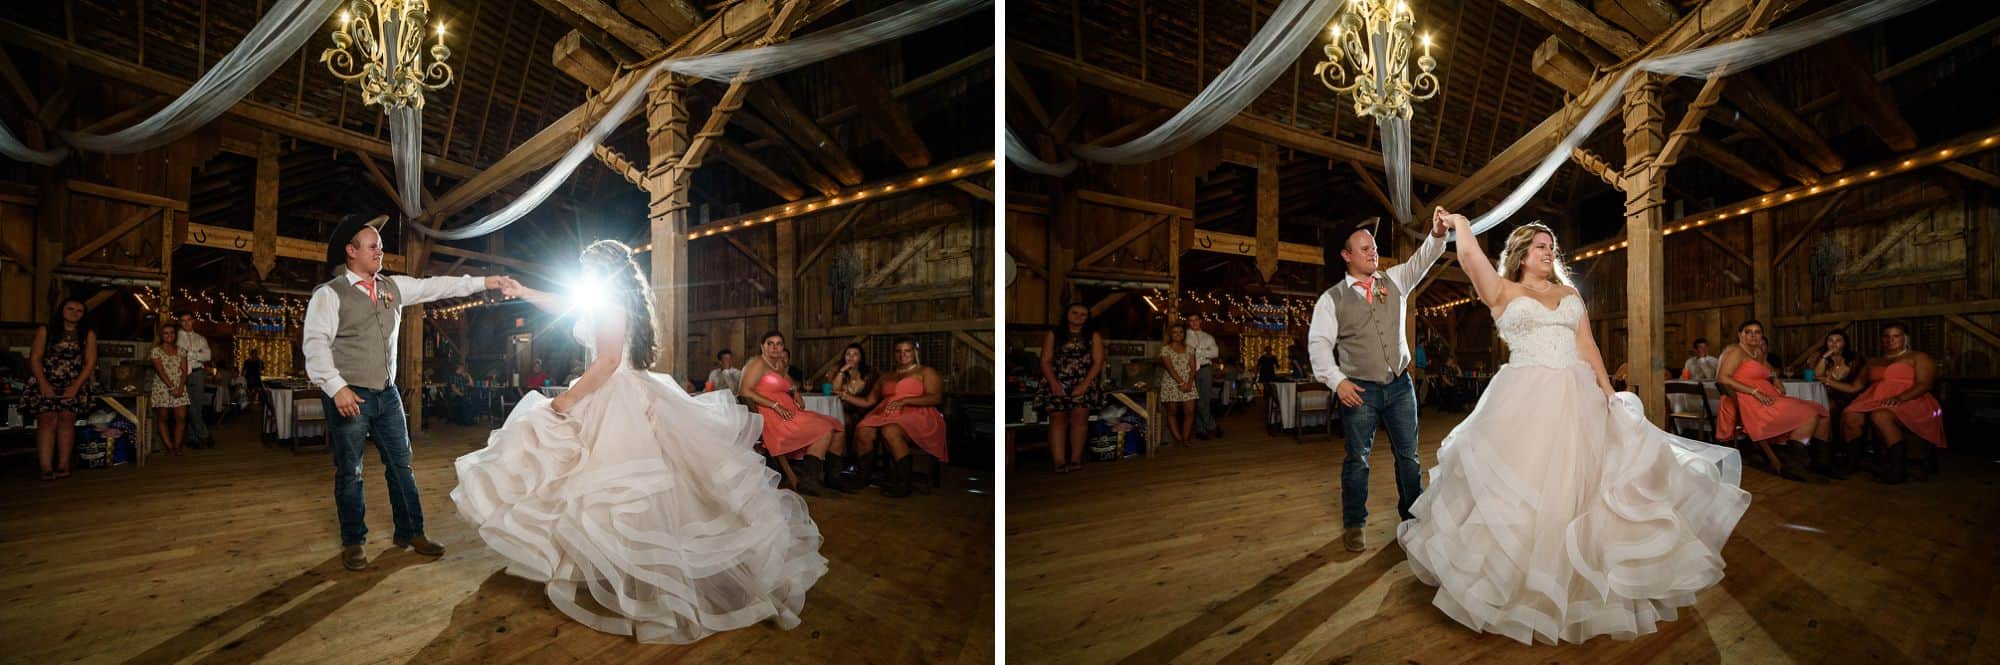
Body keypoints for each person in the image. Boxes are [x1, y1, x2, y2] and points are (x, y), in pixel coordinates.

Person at [1396, 211, 1749, 645]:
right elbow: (1470, 260)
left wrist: (1608, 391)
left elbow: (1587, 345)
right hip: (1524, 400)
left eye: (1551, 247)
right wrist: (1461, 223)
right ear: (1522, 255)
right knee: (1525, 484)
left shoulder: (1569, 294)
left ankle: (1585, 574)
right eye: (1540, 247)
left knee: (1586, 484)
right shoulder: (1503, 291)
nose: (1549, 252)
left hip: (1578, 396)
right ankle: (1517, 579)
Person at [452, 240, 825, 644]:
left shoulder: (612, 305)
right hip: (619, 391)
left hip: (615, 395)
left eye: (588, 269)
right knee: (600, 483)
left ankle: (643, 571)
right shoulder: (607, 300)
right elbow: (566, 304)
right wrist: (524, 291)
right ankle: (598, 561)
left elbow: (609, 361)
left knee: (620, 484)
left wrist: (568, 399)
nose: (584, 276)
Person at [302, 213, 510, 571]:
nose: (379, 252)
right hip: (349, 396)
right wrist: (336, 388)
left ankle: (411, 532)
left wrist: (484, 281)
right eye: (372, 246)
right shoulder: (329, 294)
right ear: (351, 251)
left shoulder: (393, 288)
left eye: (381, 246)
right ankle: (354, 541)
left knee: (402, 466)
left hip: (387, 395)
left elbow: (437, 287)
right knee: (350, 471)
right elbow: (315, 345)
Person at [1307, 214, 1448, 553]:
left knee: (1409, 458)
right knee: (1357, 459)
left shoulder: (1395, 279)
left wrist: (1436, 234)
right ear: (1346, 255)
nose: (1373, 252)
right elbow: (1318, 345)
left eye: (1374, 246)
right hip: (1360, 391)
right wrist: (1338, 382)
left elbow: (1423, 259)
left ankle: (1412, 520)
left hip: (1400, 386)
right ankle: (1354, 523)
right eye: (1365, 248)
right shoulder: (1331, 299)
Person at [1718, 320, 1835, 481]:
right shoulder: (1736, 352)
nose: (1753, 335)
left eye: (1757, 332)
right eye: (1748, 332)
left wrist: (1775, 379)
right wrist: (1754, 392)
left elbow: (1768, 370)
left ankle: (1820, 463)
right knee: (1809, 413)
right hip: (1752, 400)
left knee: (1820, 410)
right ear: (1740, 335)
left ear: (1762, 335)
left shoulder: (1757, 352)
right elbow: (1722, 378)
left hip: (1769, 395)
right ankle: (1794, 464)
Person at [1829, 322, 1945, 483]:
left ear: (1905, 338)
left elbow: (1925, 384)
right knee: (1850, 415)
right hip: (1874, 399)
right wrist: (1827, 381)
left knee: (1881, 415)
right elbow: (1855, 387)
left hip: (1910, 399)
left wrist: (1900, 398)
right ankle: (1852, 463)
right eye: (1886, 336)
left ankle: (1897, 469)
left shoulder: (1918, 357)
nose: (1891, 340)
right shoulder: (1874, 361)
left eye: (1896, 336)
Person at [740, 331, 843, 496]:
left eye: (779, 344)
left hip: (790, 411)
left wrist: (795, 393)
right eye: (770, 343)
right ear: (762, 346)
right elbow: (744, 391)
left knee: (837, 425)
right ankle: (810, 480)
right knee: (824, 428)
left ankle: (833, 478)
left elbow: (787, 382)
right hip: (773, 415)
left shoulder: (779, 363)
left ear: (783, 347)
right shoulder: (757, 364)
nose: (775, 347)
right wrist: (775, 405)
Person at [852, 338, 949, 497]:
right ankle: (864, 476)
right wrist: (845, 396)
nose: (902, 354)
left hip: (918, 413)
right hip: (886, 413)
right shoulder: (886, 376)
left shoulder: (925, 372)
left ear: (914, 352)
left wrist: (904, 401)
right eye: (898, 351)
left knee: (890, 430)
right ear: (894, 354)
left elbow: (935, 398)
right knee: (863, 429)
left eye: (907, 351)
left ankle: (904, 482)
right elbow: (869, 401)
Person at [24, 298, 97, 479]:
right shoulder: (46, 330)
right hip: (46, 378)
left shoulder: (87, 334)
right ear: (62, 310)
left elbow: (90, 362)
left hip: (73, 381)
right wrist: (43, 384)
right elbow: (35, 358)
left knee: (67, 419)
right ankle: (46, 467)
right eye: (70, 309)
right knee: (46, 420)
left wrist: (75, 387)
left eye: (79, 311)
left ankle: (63, 464)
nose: (74, 313)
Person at [1036, 303, 1104, 473]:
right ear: (1067, 314)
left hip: (1083, 380)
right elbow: (1045, 361)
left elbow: (1098, 362)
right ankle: (1059, 461)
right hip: (1057, 379)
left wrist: (1084, 384)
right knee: (1057, 419)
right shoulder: (1054, 334)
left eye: (1083, 314)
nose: (1078, 317)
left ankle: (1075, 459)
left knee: (1079, 419)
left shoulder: (1093, 336)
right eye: (1074, 313)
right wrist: (1053, 383)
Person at [826, 343, 875, 490]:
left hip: (864, 411)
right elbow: (835, 390)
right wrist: (842, 371)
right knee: (842, 422)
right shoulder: (840, 372)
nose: (851, 357)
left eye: (855, 354)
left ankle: (858, 467)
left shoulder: (869, 373)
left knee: (857, 425)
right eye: (848, 354)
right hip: (844, 410)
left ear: (861, 357)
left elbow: (871, 398)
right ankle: (843, 464)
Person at [149, 321, 191, 457]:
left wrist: (180, 387)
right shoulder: (156, 351)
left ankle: (177, 447)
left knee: (181, 418)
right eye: (166, 333)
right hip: (162, 387)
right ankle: (169, 447)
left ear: (175, 335)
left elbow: (184, 371)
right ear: (161, 335)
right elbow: (160, 371)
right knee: (163, 417)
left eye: (172, 333)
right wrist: (172, 387)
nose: (169, 335)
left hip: (180, 387)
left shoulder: (181, 351)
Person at [173, 312, 215, 448]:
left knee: (196, 406)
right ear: (180, 322)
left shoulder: (200, 338)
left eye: (189, 320)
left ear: (193, 321)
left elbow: (208, 356)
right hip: (179, 374)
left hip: (197, 373)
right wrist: (197, 354)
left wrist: (189, 354)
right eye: (183, 320)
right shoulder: (175, 337)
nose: (186, 323)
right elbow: (177, 355)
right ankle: (203, 434)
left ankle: (193, 438)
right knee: (188, 406)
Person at [1158, 323, 1198, 446]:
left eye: (1180, 332)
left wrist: (1189, 383)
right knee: (1172, 412)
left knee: (1190, 411)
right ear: (1170, 334)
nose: (1178, 334)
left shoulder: (1190, 348)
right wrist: (1181, 383)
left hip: (1188, 382)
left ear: (1184, 334)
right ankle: (1178, 439)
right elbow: (1170, 369)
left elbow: (1193, 368)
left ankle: (1186, 439)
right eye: (1175, 332)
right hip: (1171, 382)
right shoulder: (1165, 349)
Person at [1185, 313, 1222, 439]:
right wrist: (1205, 352)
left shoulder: (1208, 337)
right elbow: (1186, 353)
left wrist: (1198, 352)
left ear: (1200, 321)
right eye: (1191, 320)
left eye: (1196, 320)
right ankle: (1209, 426)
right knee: (1194, 401)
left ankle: (1202, 429)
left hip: (1205, 369)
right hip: (1189, 370)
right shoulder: (1184, 336)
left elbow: (1215, 353)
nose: (1194, 322)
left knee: (1204, 400)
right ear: (1188, 322)